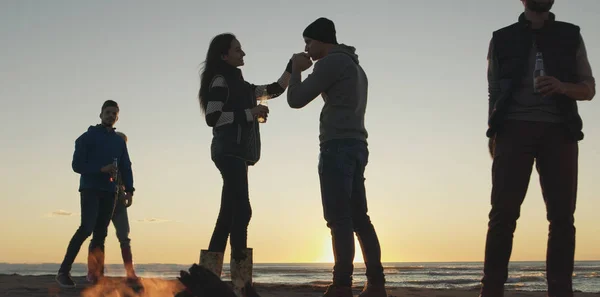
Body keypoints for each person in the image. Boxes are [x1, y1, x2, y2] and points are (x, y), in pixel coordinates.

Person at [482, 1, 595, 296]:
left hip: (560, 132)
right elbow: (493, 91)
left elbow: (589, 88)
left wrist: (562, 86)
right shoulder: (502, 37)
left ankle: (560, 290)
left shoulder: (570, 35)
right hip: (512, 131)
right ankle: (491, 289)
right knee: (502, 215)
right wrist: (494, 134)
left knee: (561, 218)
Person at [286, 17, 387, 297]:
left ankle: (342, 286)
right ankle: (376, 285)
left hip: (336, 146)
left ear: (321, 40)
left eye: (308, 41)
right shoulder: (355, 66)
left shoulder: (330, 63)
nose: (306, 48)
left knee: (338, 219)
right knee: (359, 219)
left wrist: (295, 70)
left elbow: (295, 99)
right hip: (357, 144)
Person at [197, 33, 292, 295]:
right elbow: (213, 118)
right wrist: (249, 113)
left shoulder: (243, 85)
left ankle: (213, 282)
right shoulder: (220, 80)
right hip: (228, 153)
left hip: (238, 155)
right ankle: (240, 285)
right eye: (238, 50)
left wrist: (291, 69)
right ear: (224, 55)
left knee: (229, 214)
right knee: (243, 211)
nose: (243, 54)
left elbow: (273, 90)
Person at [56, 100, 135, 288]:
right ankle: (63, 272)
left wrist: (130, 189)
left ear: (117, 117)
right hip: (90, 189)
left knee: (101, 234)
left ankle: (97, 276)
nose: (111, 115)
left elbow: (126, 166)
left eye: (114, 113)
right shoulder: (86, 138)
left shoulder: (119, 142)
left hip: (110, 191)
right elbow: (77, 166)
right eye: (108, 112)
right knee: (86, 228)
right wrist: (101, 169)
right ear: (101, 115)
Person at [86, 131, 140, 287]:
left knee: (124, 237)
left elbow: (126, 179)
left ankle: (130, 273)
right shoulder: (104, 160)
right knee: (98, 236)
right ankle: (93, 272)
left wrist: (128, 193)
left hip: (119, 202)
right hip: (103, 201)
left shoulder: (124, 162)